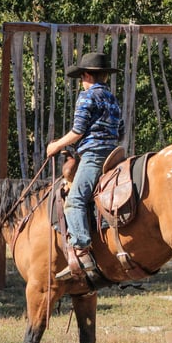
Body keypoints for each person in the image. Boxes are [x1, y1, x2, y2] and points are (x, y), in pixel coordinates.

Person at [46, 52, 124, 280]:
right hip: (113, 153)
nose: (81, 80)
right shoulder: (111, 97)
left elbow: (78, 130)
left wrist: (56, 146)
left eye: (82, 76)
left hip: (94, 155)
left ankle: (81, 251)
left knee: (74, 201)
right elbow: (120, 131)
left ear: (89, 74)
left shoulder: (87, 96)